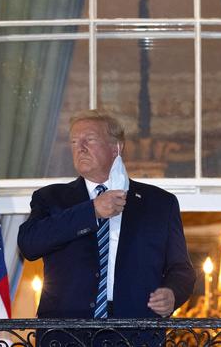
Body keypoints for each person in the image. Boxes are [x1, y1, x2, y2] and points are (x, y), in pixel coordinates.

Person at [18, 109, 195, 345]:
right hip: (66, 335)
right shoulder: (51, 198)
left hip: (136, 333)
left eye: (89, 140)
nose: (79, 147)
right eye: (73, 142)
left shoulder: (160, 203)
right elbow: (29, 244)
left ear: (116, 148)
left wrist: (173, 293)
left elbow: (181, 269)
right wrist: (90, 211)